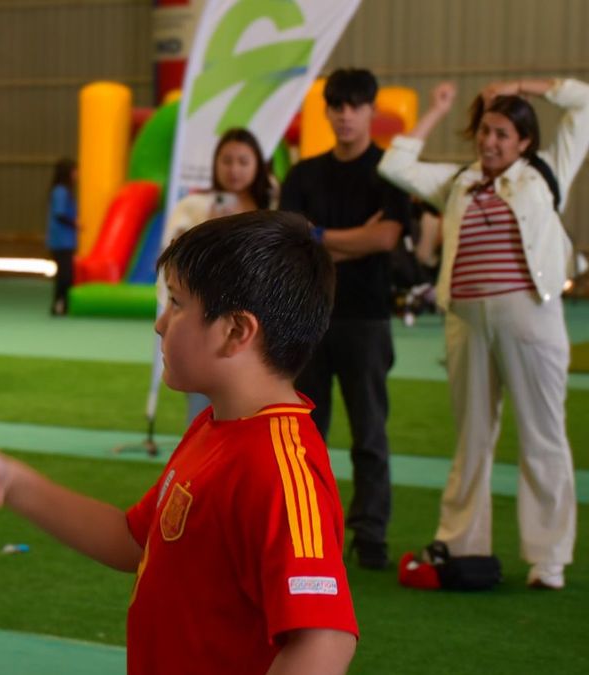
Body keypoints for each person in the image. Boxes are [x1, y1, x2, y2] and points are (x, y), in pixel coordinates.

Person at [0, 212, 356, 675]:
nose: (161, 324)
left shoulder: (282, 470)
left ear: (237, 332)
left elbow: (325, 641)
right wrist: (12, 482)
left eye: (177, 304)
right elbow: (132, 540)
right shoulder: (214, 427)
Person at [379, 77, 589, 590]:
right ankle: (461, 542)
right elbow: (394, 164)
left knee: (542, 437)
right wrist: (436, 109)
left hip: (530, 319)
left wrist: (527, 86)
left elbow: (584, 102)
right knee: (471, 438)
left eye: (502, 134)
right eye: (486, 131)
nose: (490, 142)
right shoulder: (457, 181)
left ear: (524, 143)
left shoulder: (546, 172)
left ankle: (549, 559)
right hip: (465, 323)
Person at [278, 68, 412, 570]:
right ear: (327, 111)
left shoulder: (390, 174)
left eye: (355, 105)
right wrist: (347, 238)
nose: (345, 114)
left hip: (367, 317)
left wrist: (320, 238)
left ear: (371, 111)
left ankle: (370, 532)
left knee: (369, 434)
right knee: (304, 435)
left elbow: (386, 239)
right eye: (337, 105)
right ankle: (308, 531)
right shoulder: (303, 174)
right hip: (306, 318)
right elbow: (291, 241)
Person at [164, 127, 276, 421]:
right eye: (226, 160)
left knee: (257, 415)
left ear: (258, 165)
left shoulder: (274, 211)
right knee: (204, 413)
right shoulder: (193, 208)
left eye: (243, 161)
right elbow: (173, 268)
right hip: (207, 326)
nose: (234, 169)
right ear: (214, 164)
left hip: (263, 328)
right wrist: (210, 231)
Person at [47, 157, 77, 315]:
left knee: (66, 275)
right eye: (74, 171)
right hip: (61, 240)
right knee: (64, 276)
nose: (76, 174)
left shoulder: (64, 190)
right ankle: (58, 304)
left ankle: (62, 304)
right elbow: (60, 214)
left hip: (66, 240)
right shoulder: (61, 191)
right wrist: (75, 224)